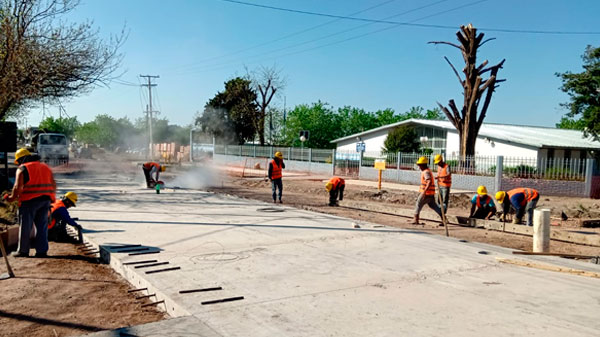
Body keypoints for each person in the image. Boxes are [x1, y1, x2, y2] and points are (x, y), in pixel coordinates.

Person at [3, 148, 56, 257]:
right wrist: (52, 199)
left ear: (21, 159)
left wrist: (10, 198)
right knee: (42, 227)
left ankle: (23, 251)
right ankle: (42, 251)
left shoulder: (22, 169)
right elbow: (53, 184)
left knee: (25, 227)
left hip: (29, 202)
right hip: (45, 200)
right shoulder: (45, 167)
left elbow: (17, 187)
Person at [411, 156, 443, 224]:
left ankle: (415, 219)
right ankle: (444, 218)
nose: (419, 167)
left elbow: (429, 181)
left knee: (418, 204)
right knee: (434, 206)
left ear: (423, 165)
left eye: (420, 165)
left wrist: (424, 192)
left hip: (426, 193)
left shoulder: (426, 172)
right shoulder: (428, 170)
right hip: (431, 193)